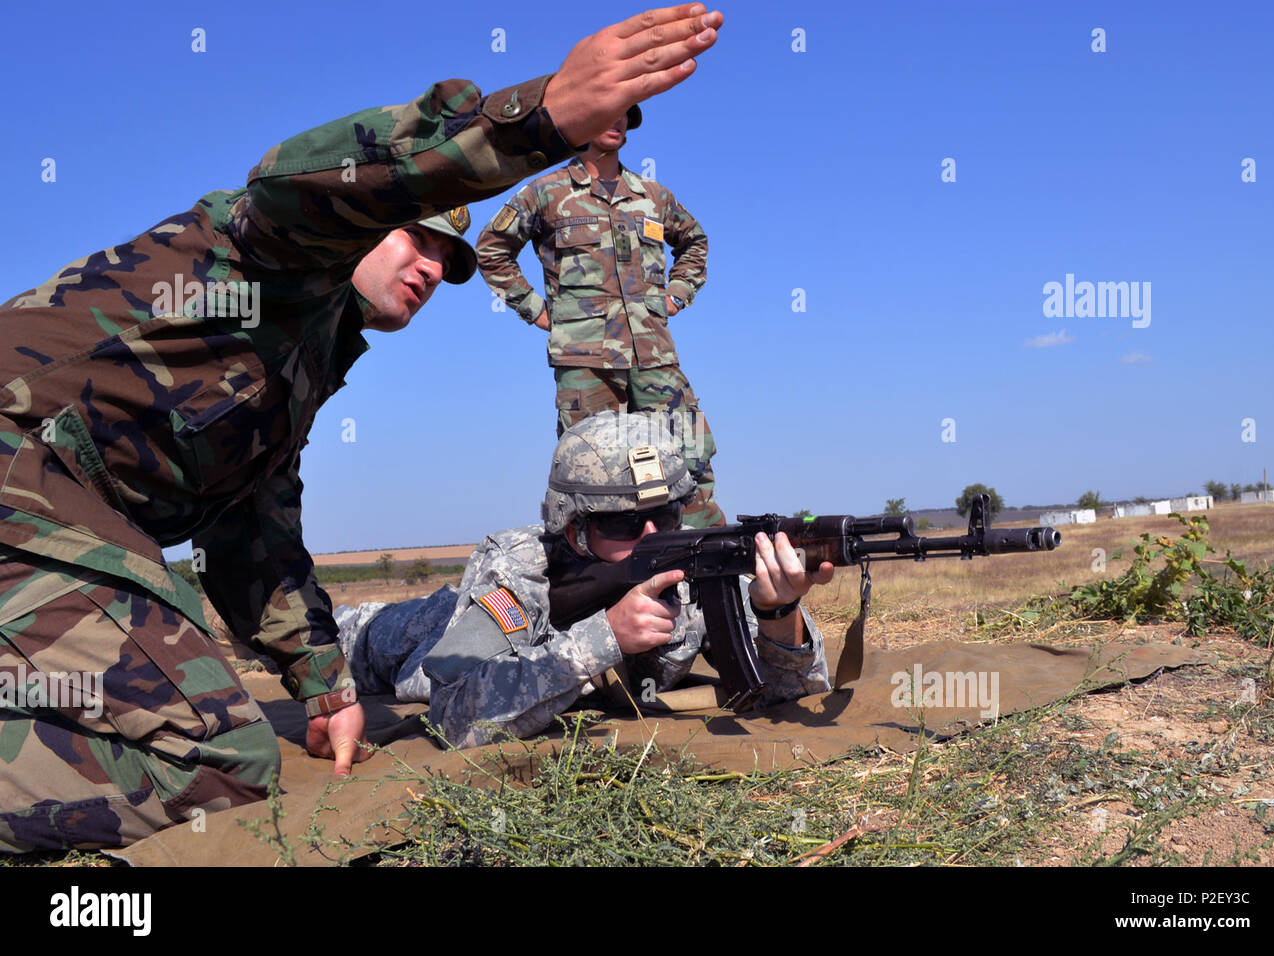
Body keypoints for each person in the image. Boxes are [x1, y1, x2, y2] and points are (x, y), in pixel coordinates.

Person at [0, 5, 726, 853]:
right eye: (416, 240)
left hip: (55, 512)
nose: (431, 270)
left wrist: (321, 684)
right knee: (217, 755)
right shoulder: (268, 252)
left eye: (449, 266)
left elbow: (252, 533)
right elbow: (303, 179)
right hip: (25, 477)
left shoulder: (307, 360)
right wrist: (535, 121)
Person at [336, 411, 832, 750]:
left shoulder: (697, 564)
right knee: (356, 637)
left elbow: (800, 688)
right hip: (422, 633)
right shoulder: (518, 570)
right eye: (622, 523)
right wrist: (606, 638)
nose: (652, 535)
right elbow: (452, 717)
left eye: (666, 513)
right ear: (573, 528)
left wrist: (777, 615)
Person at [475, 106, 724, 529]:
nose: (618, 120)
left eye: (626, 113)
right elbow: (491, 249)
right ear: (582, 120)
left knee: (689, 451)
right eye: (608, 110)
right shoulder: (546, 192)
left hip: (654, 353)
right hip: (584, 359)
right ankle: (602, 573)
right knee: (593, 468)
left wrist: (676, 295)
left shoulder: (652, 195)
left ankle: (703, 558)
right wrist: (533, 309)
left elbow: (695, 241)